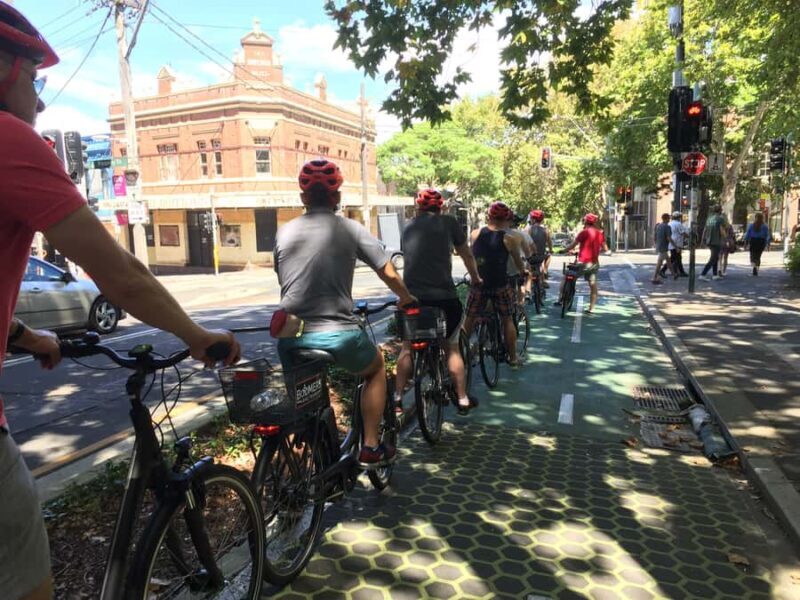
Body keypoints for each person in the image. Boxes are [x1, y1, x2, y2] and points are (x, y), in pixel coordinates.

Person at [0, 5, 240, 599]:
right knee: (25, 578)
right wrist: (197, 336)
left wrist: (27, 337)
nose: (40, 102)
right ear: (5, 70)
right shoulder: (10, 140)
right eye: (36, 81)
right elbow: (121, 275)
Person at [273, 158, 416, 467]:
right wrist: (406, 298)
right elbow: (388, 271)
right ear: (337, 197)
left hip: (290, 333)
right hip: (337, 333)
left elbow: (284, 279)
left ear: (302, 197)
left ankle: (312, 462)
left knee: (305, 400)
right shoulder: (350, 229)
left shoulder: (284, 233)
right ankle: (370, 446)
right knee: (375, 368)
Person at [394, 189, 482, 415]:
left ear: (418, 208)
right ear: (441, 207)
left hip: (412, 299)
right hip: (444, 298)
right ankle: (462, 398)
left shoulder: (408, 227)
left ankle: (397, 398)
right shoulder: (449, 223)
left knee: (407, 347)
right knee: (452, 348)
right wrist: (475, 278)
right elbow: (466, 254)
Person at [463, 201, 527, 369]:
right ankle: (513, 358)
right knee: (507, 320)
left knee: (469, 319)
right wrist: (523, 272)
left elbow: (471, 255)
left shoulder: (475, 234)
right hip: (500, 286)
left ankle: (461, 355)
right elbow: (518, 261)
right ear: (506, 220)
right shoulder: (509, 239)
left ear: (489, 217)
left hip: (479, 284)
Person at [556, 213, 610, 314]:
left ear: (585, 221)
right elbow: (606, 249)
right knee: (593, 285)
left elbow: (572, 245)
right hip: (593, 264)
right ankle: (591, 308)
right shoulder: (599, 234)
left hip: (582, 263)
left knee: (566, 276)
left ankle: (560, 299)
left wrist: (563, 251)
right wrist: (601, 251)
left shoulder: (584, 233)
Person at [506, 213, 535, 304]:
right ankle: (521, 304)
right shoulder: (522, 234)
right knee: (521, 282)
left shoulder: (500, 233)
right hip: (520, 262)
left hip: (504, 264)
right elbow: (529, 251)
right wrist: (530, 257)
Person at [699, 205, 726, 281]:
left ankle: (715, 275)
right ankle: (703, 274)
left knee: (715, 257)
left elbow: (705, 230)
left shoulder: (709, 219)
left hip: (709, 240)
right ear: (720, 210)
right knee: (713, 258)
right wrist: (726, 238)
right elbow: (721, 230)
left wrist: (702, 240)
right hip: (716, 241)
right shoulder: (720, 219)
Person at [526, 209, 552, 287]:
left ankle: (527, 285)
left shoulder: (528, 229)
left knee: (527, 268)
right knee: (548, 256)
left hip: (530, 257)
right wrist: (551, 250)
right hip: (540, 257)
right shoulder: (546, 231)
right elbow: (550, 243)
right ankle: (545, 273)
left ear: (533, 219)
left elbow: (525, 242)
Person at [660, 211, 688, 277]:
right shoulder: (678, 224)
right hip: (677, 243)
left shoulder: (670, 223)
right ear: (678, 217)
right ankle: (663, 270)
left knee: (678, 258)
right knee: (673, 258)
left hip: (671, 243)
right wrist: (689, 236)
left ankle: (680, 271)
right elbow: (683, 233)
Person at [652, 213, 676, 284]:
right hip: (663, 247)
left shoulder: (658, 226)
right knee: (659, 263)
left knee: (668, 261)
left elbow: (655, 236)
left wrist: (655, 244)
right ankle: (654, 278)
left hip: (659, 246)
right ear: (667, 219)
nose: (669, 219)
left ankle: (674, 274)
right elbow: (669, 238)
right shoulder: (667, 227)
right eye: (669, 218)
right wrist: (675, 246)